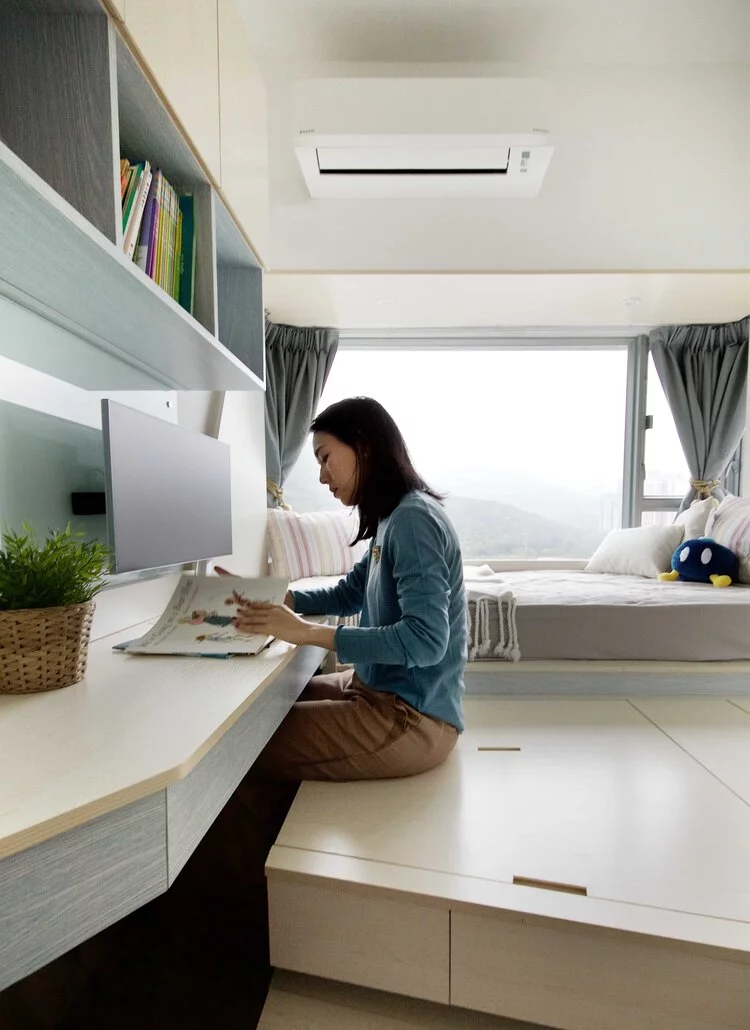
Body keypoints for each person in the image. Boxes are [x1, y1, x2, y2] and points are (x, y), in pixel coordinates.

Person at [223, 396, 467, 781]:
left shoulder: (413, 521)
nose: (322, 476)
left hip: (412, 717)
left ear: (364, 448)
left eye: (325, 457)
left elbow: (426, 641)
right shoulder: (391, 517)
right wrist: (277, 600)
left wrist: (306, 632)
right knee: (266, 707)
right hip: (375, 690)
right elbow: (350, 593)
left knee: (243, 744)